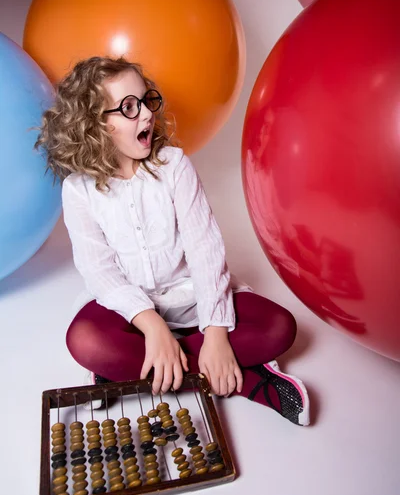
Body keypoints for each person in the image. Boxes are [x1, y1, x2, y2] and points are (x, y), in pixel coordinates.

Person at [35, 56, 310, 426]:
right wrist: (153, 327)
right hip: (132, 313)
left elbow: (205, 249)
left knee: (280, 326)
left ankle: (130, 371)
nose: (146, 115)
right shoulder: (79, 190)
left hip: (192, 297)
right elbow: (99, 271)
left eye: (146, 101)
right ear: (95, 125)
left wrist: (215, 336)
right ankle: (242, 378)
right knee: (85, 339)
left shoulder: (174, 165)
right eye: (129, 108)